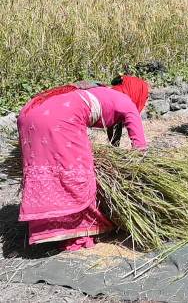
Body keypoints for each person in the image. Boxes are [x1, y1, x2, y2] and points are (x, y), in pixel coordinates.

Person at [17, 75, 150, 250]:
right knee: (78, 173)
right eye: (146, 98)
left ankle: (49, 227)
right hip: (58, 118)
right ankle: (77, 232)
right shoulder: (125, 101)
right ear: (137, 92)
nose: (145, 102)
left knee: (45, 169)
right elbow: (140, 148)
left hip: (28, 112)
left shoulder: (100, 90)